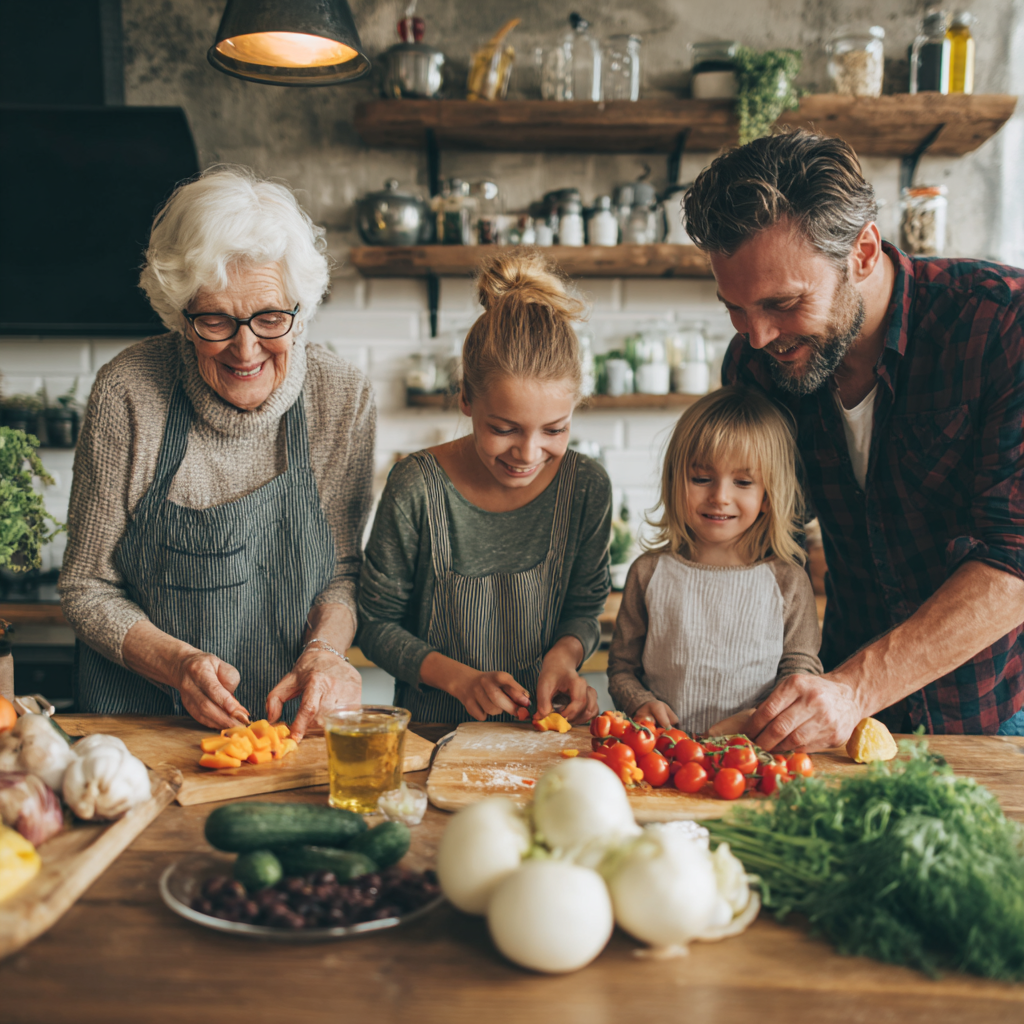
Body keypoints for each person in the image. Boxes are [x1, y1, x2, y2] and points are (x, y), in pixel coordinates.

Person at [684, 129, 1024, 748]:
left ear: (862, 252)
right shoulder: (756, 366)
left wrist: (856, 689)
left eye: (782, 303)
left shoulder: (1003, 326)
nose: (758, 336)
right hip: (840, 708)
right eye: (735, 307)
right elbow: (766, 539)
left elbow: (1015, 557)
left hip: (995, 711)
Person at [59, 167, 374, 740]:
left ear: (300, 311)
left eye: (271, 317)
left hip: (288, 731)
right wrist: (178, 665)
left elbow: (342, 573)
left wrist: (327, 650)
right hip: (138, 728)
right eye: (216, 320)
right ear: (180, 315)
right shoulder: (128, 391)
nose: (245, 347)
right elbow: (87, 586)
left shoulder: (341, 395)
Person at [357, 250, 611, 724]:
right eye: (505, 428)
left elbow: (584, 609)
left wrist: (564, 656)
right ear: (466, 399)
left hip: (542, 736)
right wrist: (460, 680)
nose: (528, 453)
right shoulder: (416, 486)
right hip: (431, 735)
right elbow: (375, 625)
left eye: (554, 430)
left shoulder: (585, 487)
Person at [607, 387, 822, 736]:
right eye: (702, 479)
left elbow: (801, 675)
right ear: (676, 481)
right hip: (663, 755)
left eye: (743, 482)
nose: (720, 496)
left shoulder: (788, 582)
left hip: (751, 756)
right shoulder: (648, 573)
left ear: (767, 496)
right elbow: (621, 668)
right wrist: (639, 702)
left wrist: (759, 717)